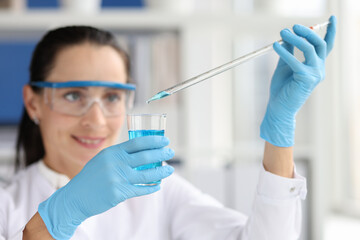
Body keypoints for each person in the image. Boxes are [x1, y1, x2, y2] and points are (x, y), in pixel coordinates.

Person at [0, 15, 336, 240]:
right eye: (73, 95)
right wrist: (61, 213)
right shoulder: (7, 204)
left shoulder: (161, 192)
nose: (96, 120)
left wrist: (280, 129)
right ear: (33, 103)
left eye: (113, 97)